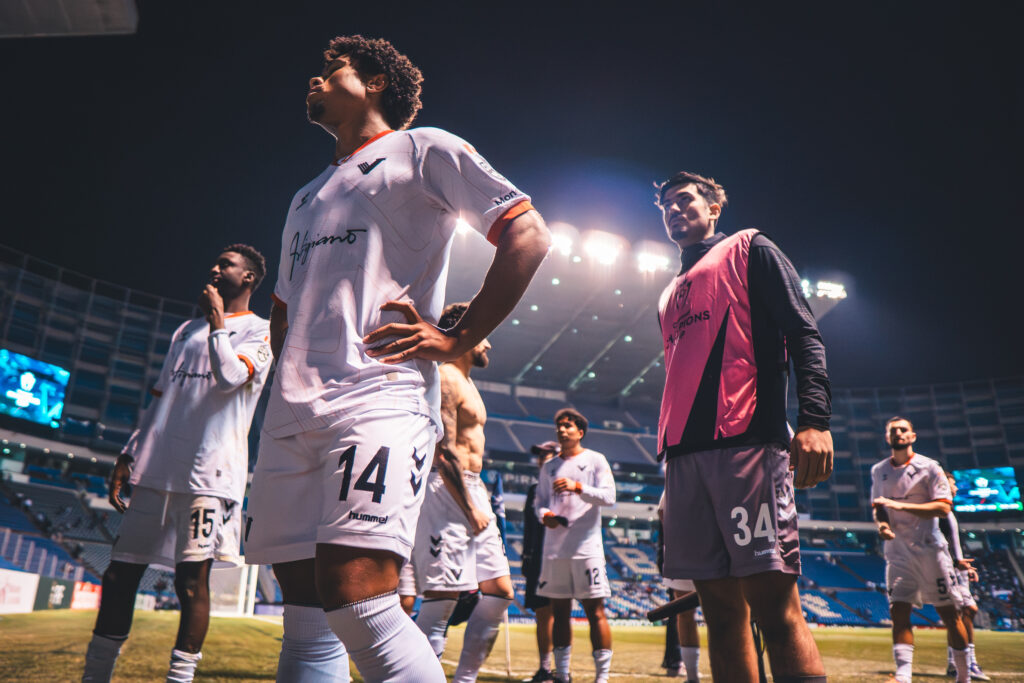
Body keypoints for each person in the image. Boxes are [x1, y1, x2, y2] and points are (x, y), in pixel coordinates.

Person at [242, 35, 550, 683]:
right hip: (291, 414)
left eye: (332, 70)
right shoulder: (304, 197)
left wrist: (457, 341)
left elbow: (527, 232)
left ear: (376, 81)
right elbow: (283, 307)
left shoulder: (423, 148)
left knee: (360, 598)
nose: (315, 79)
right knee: (304, 616)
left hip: (378, 397)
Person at [654, 171, 832, 683]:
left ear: (713, 207)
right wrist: (671, 469)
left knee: (775, 612)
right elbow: (679, 382)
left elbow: (805, 332)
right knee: (722, 617)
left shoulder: (750, 248)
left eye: (684, 199)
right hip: (685, 462)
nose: (672, 210)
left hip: (747, 446)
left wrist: (814, 420)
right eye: (664, 205)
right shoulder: (668, 294)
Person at [82, 246, 273, 683]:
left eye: (226, 264)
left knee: (190, 584)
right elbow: (160, 398)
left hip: (210, 475)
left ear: (248, 278)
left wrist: (218, 324)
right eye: (215, 261)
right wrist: (130, 452)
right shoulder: (184, 330)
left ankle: (179, 679)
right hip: (158, 470)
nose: (214, 267)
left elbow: (229, 378)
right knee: (118, 576)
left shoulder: (262, 333)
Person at [412, 301, 514, 681]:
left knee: (501, 591)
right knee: (442, 599)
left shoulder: (467, 381)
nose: (488, 345)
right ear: (466, 332)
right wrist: (471, 509)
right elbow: (445, 452)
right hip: (447, 491)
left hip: (472, 488)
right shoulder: (447, 377)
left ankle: (464, 678)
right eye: (485, 335)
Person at [871, 417, 970, 683]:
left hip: (931, 551)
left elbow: (943, 507)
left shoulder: (929, 467)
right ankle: (903, 677)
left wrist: (899, 506)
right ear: (887, 437)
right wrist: (883, 526)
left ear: (913, 436)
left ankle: (964, 676)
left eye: (903, 430)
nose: (898, 433)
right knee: (898, 612)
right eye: (893, 430)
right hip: (897, 552)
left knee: (950, 615)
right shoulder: (879, 470)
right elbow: (879, 506)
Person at [535, 409, 616, 683]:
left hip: (586, 547)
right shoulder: (548, 467)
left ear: (580, 432)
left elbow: (609, 497)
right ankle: (562, 673)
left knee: (595, 611)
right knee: (559, 614)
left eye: (568, 426)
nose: (562, 430)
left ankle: (601, 677)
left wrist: (578, 486)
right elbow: (540, 502)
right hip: (555, 550)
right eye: (559, 426)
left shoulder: (595, 460)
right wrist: (544, 515)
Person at [941, 472, 989, 680]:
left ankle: (955, 663)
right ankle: (968, 663)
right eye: (953, 484)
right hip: (949, 569)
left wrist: (962, 566)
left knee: (958, 616)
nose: (957, 488)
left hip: (956, 569)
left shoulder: (948, 511)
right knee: (967, 611)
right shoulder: (940, 512)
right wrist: (954, 563)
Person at [523, 440, 560, 682]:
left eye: (547, 454)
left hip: (558, 556)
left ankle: (562, 668)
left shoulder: (561, 487)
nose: (541, 459)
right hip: (536, 559)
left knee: (559, 613)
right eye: (540, 455)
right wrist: (526, 558)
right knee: (542, 614)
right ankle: (545, 668)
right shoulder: (534, 489)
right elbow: (529, 529)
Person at [657, 494, 700, 682]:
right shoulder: (677, 467)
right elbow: (662, 510)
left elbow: (662, 512)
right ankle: (690, 673)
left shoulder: (679, 466)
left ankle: (691, 673)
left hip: (688, 547)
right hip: (688, 546)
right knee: (684, 612)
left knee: (685, 613)